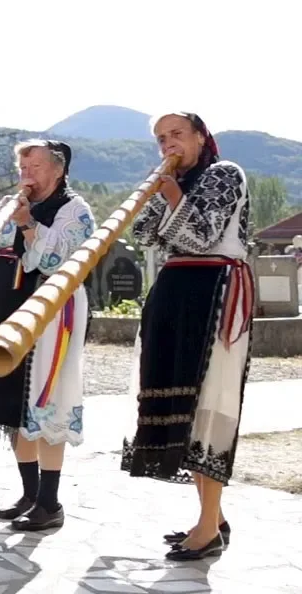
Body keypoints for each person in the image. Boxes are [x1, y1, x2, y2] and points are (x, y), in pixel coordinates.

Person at [122, 113, 253, 561]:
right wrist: (162, 192)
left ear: (201, 136)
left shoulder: (224, 173)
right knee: (181, 405)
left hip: (214, 289)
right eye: (161, 139)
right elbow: (143, 234)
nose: (167, 144)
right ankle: (210, 517)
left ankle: (208, 529)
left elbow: (202, 235)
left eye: (177, 134)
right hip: (175, 292)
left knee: (209, 402)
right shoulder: (171, 179)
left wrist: (172, 193)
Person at [0, 139, 93, 531]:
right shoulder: (15, 201)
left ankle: (50, 503)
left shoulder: (76, 209)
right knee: (16, 400)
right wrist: (7, 210)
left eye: (34, 167)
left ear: (58, 169)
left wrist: (27, 225)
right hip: (7, 307)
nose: (26, 175)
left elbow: (57, 260)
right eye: (22, 167)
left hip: (53, 310)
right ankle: (30, 492)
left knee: (47, 398)